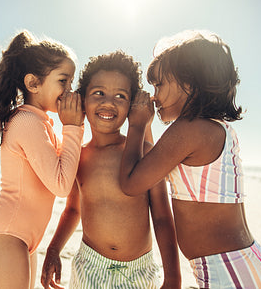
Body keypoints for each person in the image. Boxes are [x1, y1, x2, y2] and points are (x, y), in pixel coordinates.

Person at [119, 30, 261, 288]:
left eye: (159, 84)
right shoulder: (216, 129)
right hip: (247, 263)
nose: (154, 95)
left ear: (189, 85)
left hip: (226, 273)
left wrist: (136, 126)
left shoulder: (187, 131)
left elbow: (131, 182)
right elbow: (155, 162)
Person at [41, 51, 181, 289]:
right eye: (99, 93)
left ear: (132, 106)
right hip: (89, 267)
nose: (109, 102)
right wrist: (53, 249)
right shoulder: (79, 156)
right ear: (82, 100)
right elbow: (73, 209)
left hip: (139, 270)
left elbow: (162, 217)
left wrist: (172, 278)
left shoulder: (144, 152)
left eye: (120, 95)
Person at [0, 30, 85, 289]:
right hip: (8, 234)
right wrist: (73, 128)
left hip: (23, 238)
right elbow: (60, 185)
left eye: (71, 82)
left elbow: (66, 173)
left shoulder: (41, 123)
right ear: (33, 83)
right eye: (63, 80)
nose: (69, 89)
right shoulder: (26, 122)